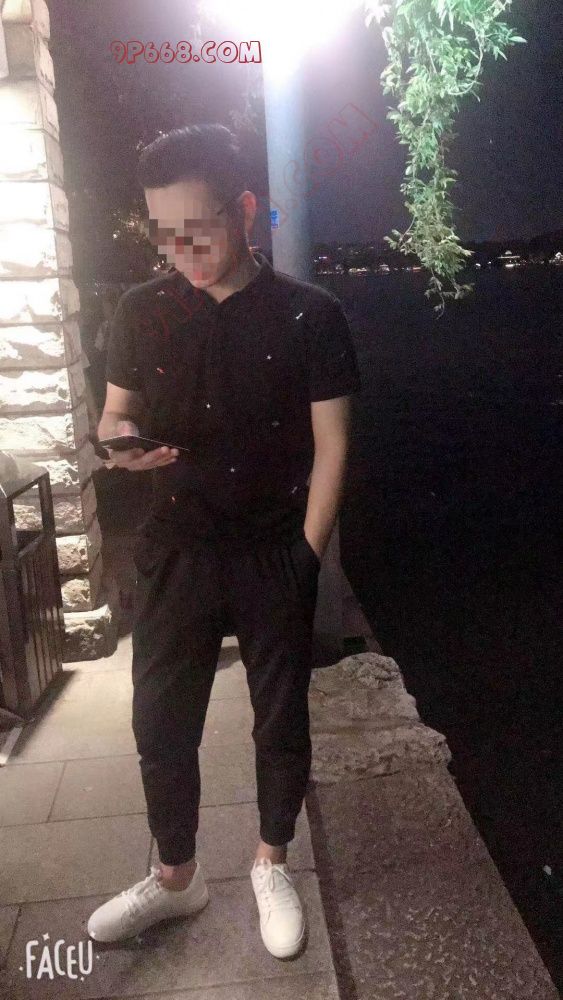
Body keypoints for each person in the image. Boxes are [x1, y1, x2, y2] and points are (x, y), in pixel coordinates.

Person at [88, 123, 362, 958]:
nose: (182, 250)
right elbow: (115, 415)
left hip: (271, 545)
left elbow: (333, 446)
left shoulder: (310, 315)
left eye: (198, 228)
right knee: (159, 721)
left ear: (243, 210)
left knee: (278, 719)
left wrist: (305, 556)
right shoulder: (141, 312)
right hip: (176, 546)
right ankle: (176, 876)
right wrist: (120, 446)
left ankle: (270, 862)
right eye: (162, 233)